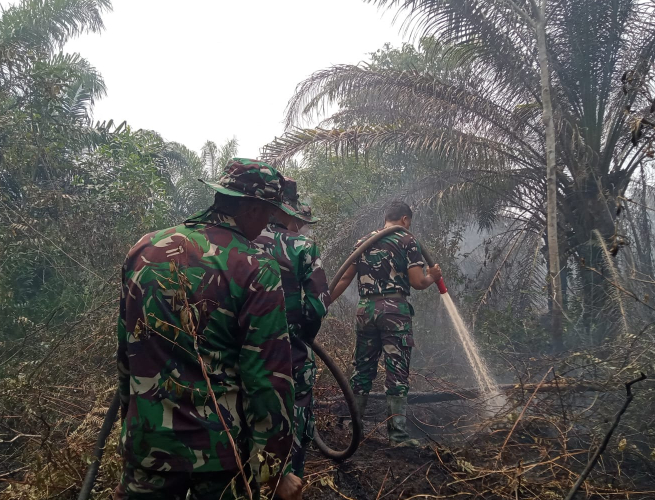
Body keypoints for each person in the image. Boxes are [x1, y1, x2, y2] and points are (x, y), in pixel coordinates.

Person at [116, 159, 303, 500]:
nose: (267, 224)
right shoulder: (256, 266)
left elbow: (127, 353)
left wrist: (130, 428)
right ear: (252, 208)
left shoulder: (144, 249)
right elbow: (267, 378)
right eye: (268, 214)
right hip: (220, 455)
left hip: (148, 443)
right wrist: (273, 468)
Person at [330, 201, 442, 446]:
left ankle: (353, 430)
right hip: (394, 312)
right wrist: (432, 277)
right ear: (405, 219)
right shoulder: (408, 240)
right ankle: (397, 436)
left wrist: (323, 302)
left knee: (362, 370)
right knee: (397, 372)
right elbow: (417, 282)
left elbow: (344, 278)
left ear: (386, 218)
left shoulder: (363, 242)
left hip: (365, 311)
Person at [253, 178, 330, 478]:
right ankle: (289, 479)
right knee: (295, 416)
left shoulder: (241, 239)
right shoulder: (302, 246)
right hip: (291, 354)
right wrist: (301, 337)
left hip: (244, 351)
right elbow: (317, 306)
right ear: (288, 212)